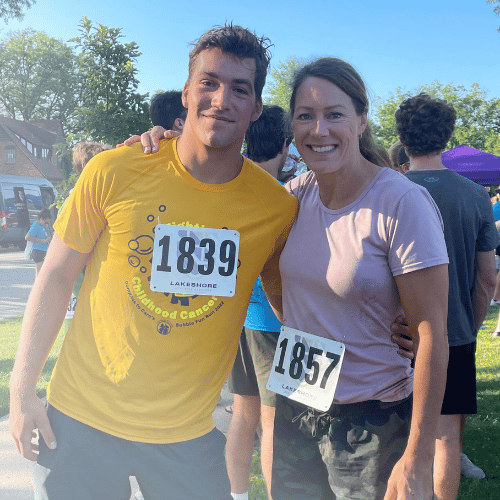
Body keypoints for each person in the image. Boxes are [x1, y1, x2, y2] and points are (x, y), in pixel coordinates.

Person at [9, 23, 299, 500]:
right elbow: (58, 275)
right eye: (208, 82)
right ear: (186, 93)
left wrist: (380, 336)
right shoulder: (115, 169)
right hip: (79, 422)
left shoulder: (276, 208)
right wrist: (21, 390)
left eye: (239, 89)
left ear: (255, 108)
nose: (221, 100)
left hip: (186, 438)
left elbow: (290, 303)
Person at [270, 57, 449, 500]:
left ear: (361, 120)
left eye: (335, 114)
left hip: (372, 421)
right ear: (292, 125)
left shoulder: (402, 202)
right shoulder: (293, 196)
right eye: (305, 116)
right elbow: (274, 278)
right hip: (298, 404)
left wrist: (419, 455)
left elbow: (431, 335)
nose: (319, 130)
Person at [397, 93, 498, 496]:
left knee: (393, 438)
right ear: (447, 137)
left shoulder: (386, 191)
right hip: (453, 335)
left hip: (393, 337)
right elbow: (487, 278)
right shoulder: (475, 195)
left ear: (403, 137)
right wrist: (468, 328)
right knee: (445, 439)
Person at [225, 105, 293, 500]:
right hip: (271, 322)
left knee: (243, 414)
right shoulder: (286, 197)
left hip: (236, 321)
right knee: (272, 423)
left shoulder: (231, 183)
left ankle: (237, 496)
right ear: (286, 144)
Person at [25, 208, 52, 276]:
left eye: (48, 223)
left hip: (42, 250)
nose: (47, 225)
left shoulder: (41, 226)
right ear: (41, 219)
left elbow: (41, 236)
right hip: (38, 251)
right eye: (46, 223)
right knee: (40, 273)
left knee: (43, 272)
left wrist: (47, 239)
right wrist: (40, 240)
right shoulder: (36, 225)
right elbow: (27, 237)